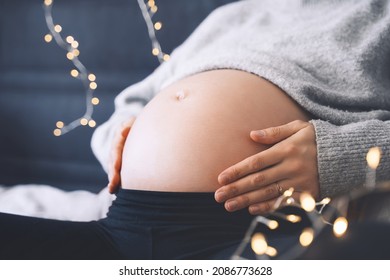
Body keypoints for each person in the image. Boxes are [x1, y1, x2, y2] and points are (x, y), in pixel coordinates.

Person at [1, 0, 389, 259]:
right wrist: (123, 134)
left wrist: (340, 156)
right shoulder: (233, 15)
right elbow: (131, 103)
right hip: (120, 229)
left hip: (251, 237)